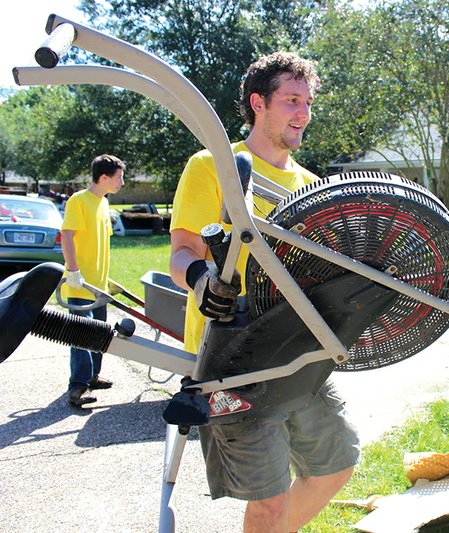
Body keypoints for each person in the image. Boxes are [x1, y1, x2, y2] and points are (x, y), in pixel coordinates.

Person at [169, 52, 359, 532]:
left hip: (297, 354)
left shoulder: (312, 187)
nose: (304, 113)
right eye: (292, 100)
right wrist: (200, 280)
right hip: (232, 361)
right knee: (269, 503)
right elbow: (183, 250)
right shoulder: (213, 164)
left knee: (336, 466)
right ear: (259, 103)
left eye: (308, 102)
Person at [61, 154, 125, 407]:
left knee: (100, 333)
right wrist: (73, 270)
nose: (123, 182)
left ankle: (92, 376)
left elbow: (98, 244)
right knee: (80, 336)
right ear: (104, 178)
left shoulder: (103, 203)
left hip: (97, 285)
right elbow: (67, 235)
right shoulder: (79, 201)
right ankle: (77, 387)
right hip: (80, 284)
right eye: (119, 177)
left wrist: (107, 280)